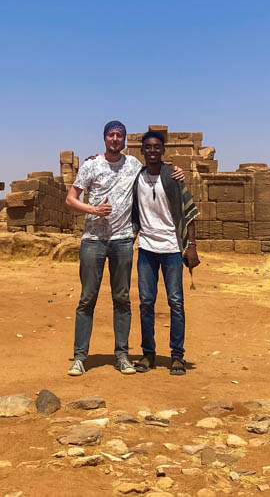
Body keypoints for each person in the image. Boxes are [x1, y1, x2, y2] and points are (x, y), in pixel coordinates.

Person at [64, 121, 183, 376]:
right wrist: (94, 210)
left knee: (122, 299)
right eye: (111, 135)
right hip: (93, 240)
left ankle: (122, 355)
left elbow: (156, 167)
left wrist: (177, 171)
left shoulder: (133, 166)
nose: (115, 139)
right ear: (104, 138)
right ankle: (80, 357)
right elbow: (70, 199)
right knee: (87, 298)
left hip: (122, 240)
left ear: (125, 141)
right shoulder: (91, 165)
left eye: (120, 135)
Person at [130, 130, 199, 376]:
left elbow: (189, 213)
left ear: (163, 151)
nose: (152, 151)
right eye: (147, 147)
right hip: (147, 247)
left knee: (176, 302)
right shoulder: (136, 177)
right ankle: (148, 353)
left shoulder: (173, 177)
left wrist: (191, 246)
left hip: (171, 248)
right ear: (142, 151)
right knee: (146, 302)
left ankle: (177, 355)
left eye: (156, 147)